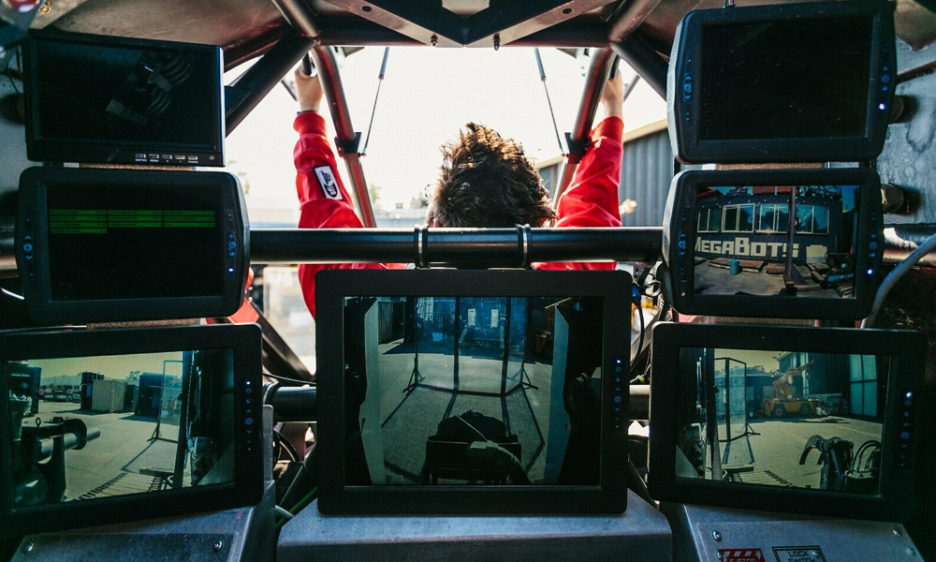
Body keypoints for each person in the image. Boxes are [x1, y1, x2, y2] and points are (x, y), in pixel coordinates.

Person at [292, 66, 624, 317]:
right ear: (539, 226)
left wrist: (309, 115)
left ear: (435, 225)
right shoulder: (571, 284)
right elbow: (593, 203)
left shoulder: (361, 291)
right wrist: (612, 113)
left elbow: (324, 209)